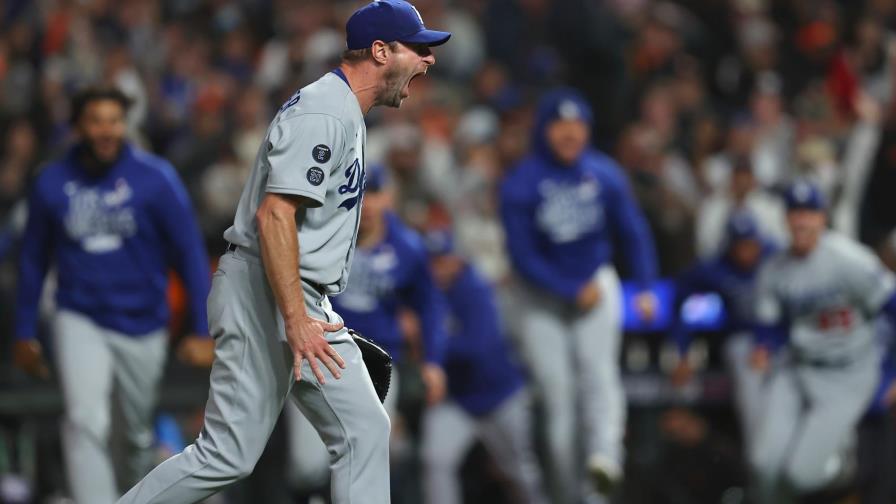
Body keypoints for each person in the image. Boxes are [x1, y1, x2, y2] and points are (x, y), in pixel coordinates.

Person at [117, 2, 450, 503]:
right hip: (269, 291)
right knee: (228, 454)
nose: (428, 60)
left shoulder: (343, 110)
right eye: (418, 48)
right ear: (380, 51)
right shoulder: (324, 111)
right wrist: (295, 318)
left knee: (361, 429)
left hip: (288, 291)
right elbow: (274, 216)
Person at [13, 86, 213, 504]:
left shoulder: (155, 179)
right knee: (84, 420)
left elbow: (191, 255)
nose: (107, 130)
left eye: (115, 120)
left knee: (135, 436)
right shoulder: (51, 182)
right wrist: (24, 330)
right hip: (79, 315)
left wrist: (202, 328)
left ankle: (133, 496)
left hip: (143, 322)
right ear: (77, 127)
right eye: (96, 121)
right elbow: (32, 260)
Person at [499, 88, 659, 503]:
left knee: (599, 375)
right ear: (544, 130)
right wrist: (568, 289)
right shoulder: (521, 181)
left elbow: (634, 232)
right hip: (541, 301)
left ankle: (605, 462)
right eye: (560, 126)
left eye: (578, 126)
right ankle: (568, 493)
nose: (570, 134)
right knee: (559, 400)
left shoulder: (604, 173)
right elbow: (522, 257)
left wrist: (643, 286)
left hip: (595, 285)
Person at [286, 164, 448, 495]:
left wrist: (432, 360)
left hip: (376, 365)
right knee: (306, 467)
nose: (367, 203)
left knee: (365, 463)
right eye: (359, 192)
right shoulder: (317, 237)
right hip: (317, 356)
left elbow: (430, 306)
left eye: (374, 193)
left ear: (390, 197)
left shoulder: (407, 247)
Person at [748, 181, 896, 503]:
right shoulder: (774, 268)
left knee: (800, 474)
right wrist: (763, 347)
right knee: (762, 465)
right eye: (795, 212)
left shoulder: (850, 259)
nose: (801, 220)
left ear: (822, 217)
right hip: (796, 370)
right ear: (785, 218)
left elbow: (893, 307)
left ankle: (847, 465)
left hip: (847, 374)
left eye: (809, 212)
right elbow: (768, 325)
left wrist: (893, 372)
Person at [421, 229, 548, 504]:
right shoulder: (426, 293)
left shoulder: (474, 287)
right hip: (458, 400)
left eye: (442, 260)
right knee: (436, 459)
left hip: (500, 397)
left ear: (456, 259)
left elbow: (476, 347)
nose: (437, 268)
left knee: (519, 472)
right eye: (432, 261)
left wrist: (429, 343)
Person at [668, 211, 777, 447]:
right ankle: (761, 459)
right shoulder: (717, 267)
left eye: (751, 244)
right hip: (742, 341)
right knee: (753, 394)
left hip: (779, 339)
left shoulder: (775, 256)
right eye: (740, 245)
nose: (747, 251)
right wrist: (682, 351)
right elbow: (679, 298)